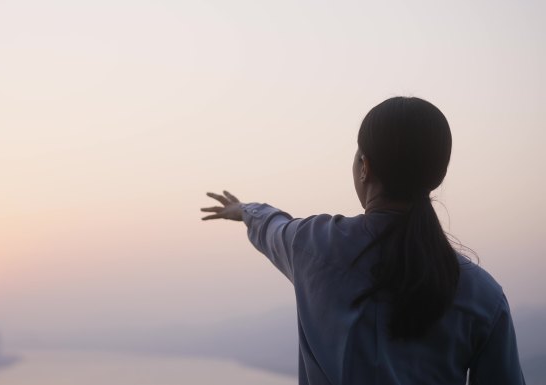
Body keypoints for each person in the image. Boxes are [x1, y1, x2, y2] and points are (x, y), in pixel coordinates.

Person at [200, 97, 525, 384]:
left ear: (364, 167)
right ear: (435, 176)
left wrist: (244, 210)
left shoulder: (312, 245)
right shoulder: (484, 297)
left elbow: (274, 227)